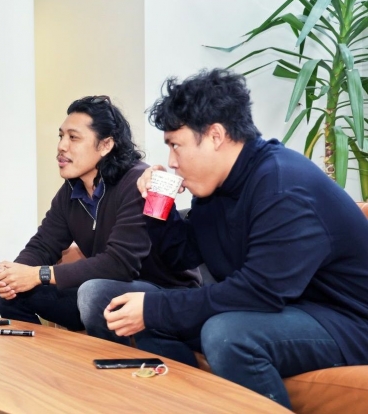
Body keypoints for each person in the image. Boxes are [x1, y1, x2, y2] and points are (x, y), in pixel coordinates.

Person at [104, 68, 368, 409]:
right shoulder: (216, 188)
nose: (171, 161)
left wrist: (155, 309)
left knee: (228, 335)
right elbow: (183, 256)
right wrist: (160, 205)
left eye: (176, 146)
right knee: (124, 304)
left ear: (215, 136)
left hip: (349, 321)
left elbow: (259, 291)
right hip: (288, 311)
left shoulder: (282, 186)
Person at [0, 95, 200, 339]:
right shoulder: (71, 190)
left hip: (160, 291)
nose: (61, 146)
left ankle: (108, 370)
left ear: (105, 145)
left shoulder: (137, 182)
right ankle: (44, 367)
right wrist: (14, 274)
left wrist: (38, 275)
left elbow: (119, 264)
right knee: (12, 293)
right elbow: (44, 244)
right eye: (61, 136)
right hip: (108, 290)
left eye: (73, 137)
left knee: (93, 293)